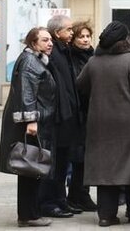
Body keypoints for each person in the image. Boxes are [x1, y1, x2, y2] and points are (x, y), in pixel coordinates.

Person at [77, 21, 130, 227]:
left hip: (99, 122)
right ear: (124, 40)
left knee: (105, 170)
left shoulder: (94, 61)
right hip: (129, 123)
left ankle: (106, 215)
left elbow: (79, 85)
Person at [0, 27, 56, 228]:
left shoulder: (34, 59)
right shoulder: (31, 62)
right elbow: (27, 93)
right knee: (30, 169)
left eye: (50, 40)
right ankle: (29, 215)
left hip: (36, 121)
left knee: (31, 169)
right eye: (44, 40)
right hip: (31, 124)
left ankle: (30, 213)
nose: (50, 43)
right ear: (33, 43)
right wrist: (31, 120)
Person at [38, 15, 83, 218]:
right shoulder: (53, 53)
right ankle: (49, 203)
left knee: (64, 163)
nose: (72, 32)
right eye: (69, 29)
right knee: (54, 164)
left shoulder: (65, 51)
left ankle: (61, 200)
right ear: (58, 33)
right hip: (57, 120)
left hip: (67, 119)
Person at [66, 21, 98, 211]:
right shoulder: (71, 57)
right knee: (77, 158)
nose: (85, 39)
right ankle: (76, 196)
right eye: (81, 36)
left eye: (87, 36)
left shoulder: (93, 55)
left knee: (85, 158)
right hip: (77, 113)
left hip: (90, 113)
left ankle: (81, 195)